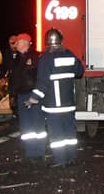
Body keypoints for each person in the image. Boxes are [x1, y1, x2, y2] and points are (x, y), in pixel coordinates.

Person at [26, 28, 84, 166]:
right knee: (70, 133)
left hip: (53, 106)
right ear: (60, 40)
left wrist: (32, 99)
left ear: (47, 42)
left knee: (57, 135)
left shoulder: (46, 58)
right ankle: (72, 158)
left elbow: (42, 83)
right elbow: (79, 72)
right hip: (69, 103)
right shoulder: (69, 54)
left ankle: (60, 160)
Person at [7, 33, 45, 160]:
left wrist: (36, 95)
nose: (15, 44)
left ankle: (39, 151)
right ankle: (30, 152)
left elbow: (39, 78)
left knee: (37, 124)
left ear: (25, 43)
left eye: (17, 42)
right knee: (26, 126)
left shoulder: (35, 57)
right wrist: (12, 95)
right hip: (21, 95)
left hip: (32, 95)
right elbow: (13, 79)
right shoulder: (16, 58)